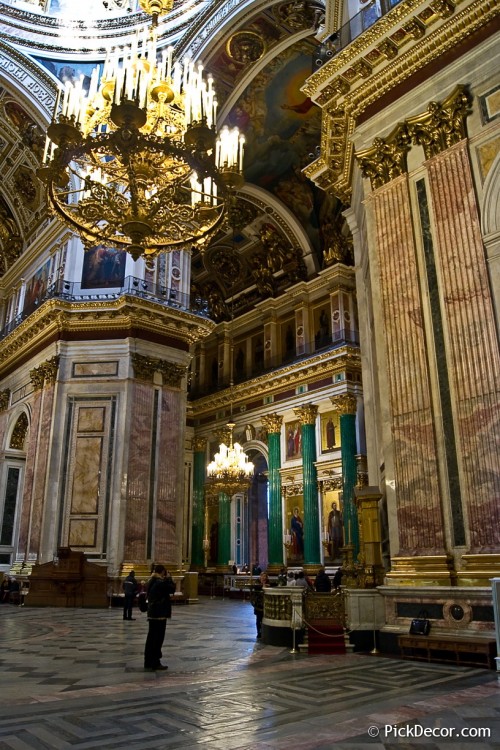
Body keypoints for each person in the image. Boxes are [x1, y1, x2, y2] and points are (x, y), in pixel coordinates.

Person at [144, 564, 176, 671]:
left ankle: (148, 661)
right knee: (158, 639)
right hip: (160, 613)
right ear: (162, 572)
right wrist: (170, 579)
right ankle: (155, 661)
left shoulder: (151, 581)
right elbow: (172, 589)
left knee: (151, 638)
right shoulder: (160, 582)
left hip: (152, 613)